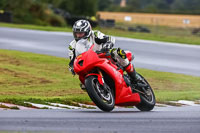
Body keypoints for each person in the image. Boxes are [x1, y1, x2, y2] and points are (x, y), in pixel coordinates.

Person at [68, 19, 141, 86]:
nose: (78, 35)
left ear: (87, 31)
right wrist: (72, 68)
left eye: (81, 33)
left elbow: (109, 38)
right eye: (77, 33)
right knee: (83, 85)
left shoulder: (95, 34)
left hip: (104, 55)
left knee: (118, 52)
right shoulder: (72, 45)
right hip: (89, 63)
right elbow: (73, 60)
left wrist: (107, 45)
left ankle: (135, 77)